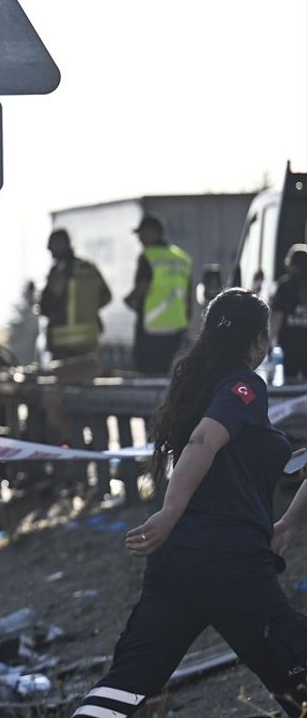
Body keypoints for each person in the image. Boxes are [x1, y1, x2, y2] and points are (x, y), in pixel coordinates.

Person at [71, 288, 307, 716]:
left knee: (127, 683)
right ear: (256, 339)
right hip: (229, 561)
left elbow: (236, 456)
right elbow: (204, 440)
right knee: (297, 669)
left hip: (175, 564)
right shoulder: (244, 386)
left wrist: (287, 521)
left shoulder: (197, 388)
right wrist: (168, 512)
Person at [124, 214, 193, 374]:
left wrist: (129, 299)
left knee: (148, 373)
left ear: (152, 232)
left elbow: (142, 287)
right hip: (177, 327)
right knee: (170, 373)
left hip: (151, 329)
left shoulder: (148, 255)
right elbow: (187, 295)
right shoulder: (181, 257)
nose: (139, 238)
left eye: (141, 233)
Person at [38, 229, 111, 362]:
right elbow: (106, 296)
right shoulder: (88, 267)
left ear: (62, 243)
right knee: (87, 376)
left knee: (65, 379)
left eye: (52, 244)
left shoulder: (59, 270)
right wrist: (87, 310)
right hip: (88, 339)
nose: (48, 249)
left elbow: (47, 304)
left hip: (63, 341)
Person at [270, 243, 307, 382]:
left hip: (290, 343)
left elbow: (278, 317)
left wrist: (268, 342)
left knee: (290, 382)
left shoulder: (285, 286)